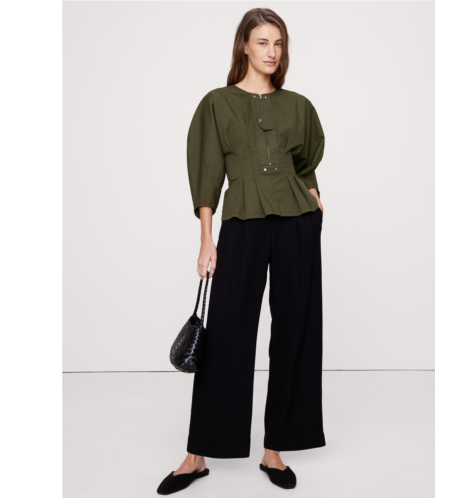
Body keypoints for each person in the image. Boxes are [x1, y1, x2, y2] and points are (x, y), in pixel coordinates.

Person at [157, 7, 326, 495]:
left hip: (297, 223)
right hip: (242, 221)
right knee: (228, 335)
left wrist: (314, 196)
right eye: (263, 42)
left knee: (295, 331)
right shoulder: (217, 103)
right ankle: (197, 455)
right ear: (244, 47)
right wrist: (206, 238)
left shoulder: (298, 105)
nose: (272, 52)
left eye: (279, 43)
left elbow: (306, 161)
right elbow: (207, 171)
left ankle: (276, 449)